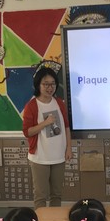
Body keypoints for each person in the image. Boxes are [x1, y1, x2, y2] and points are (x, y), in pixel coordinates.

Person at [22, 67, 73, 210]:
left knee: (56, 194)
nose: (50, 88)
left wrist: (69, 148)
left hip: (59, 156)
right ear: (38, 85)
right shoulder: (32, 106)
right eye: (46, 84)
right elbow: (27, 132)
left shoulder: (59, 103)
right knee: (40, 195)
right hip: (40, 157)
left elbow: (66, 127)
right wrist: (45, 123)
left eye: (52, 84)